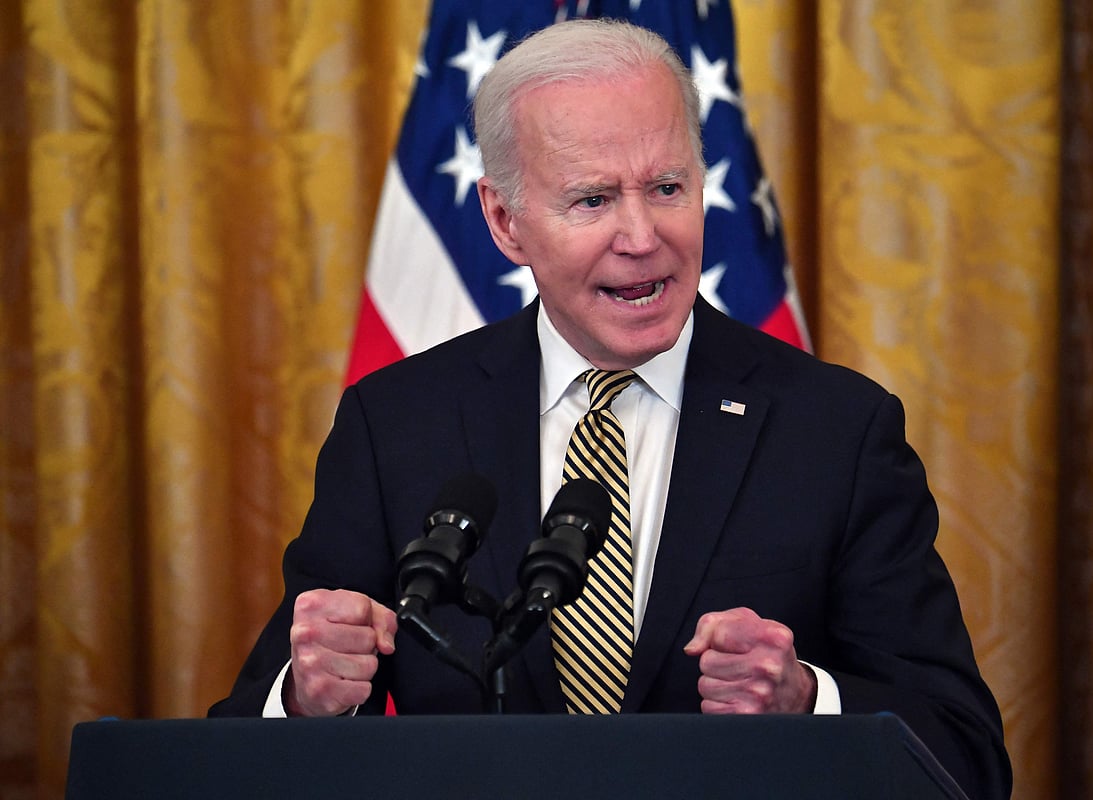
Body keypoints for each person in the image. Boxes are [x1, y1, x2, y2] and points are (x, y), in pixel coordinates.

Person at [210, 18, 1011, 800]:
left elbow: (965, 757)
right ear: (504, 220)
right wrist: (307, 698)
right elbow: (240, 745)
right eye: (592, 201)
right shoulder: (397, 427)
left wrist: (807, 700)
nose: (642, 236)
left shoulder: (836, 431)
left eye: (667, 188)